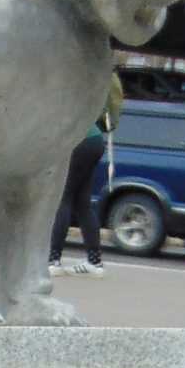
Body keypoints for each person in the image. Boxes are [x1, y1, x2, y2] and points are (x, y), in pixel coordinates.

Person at [50, 76, 126, 276]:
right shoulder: (87, 74)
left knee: (63, 197)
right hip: (94, 139)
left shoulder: (64, 78)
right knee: (82, 203)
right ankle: (95, 262)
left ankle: (53, 260)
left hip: (78, 140)